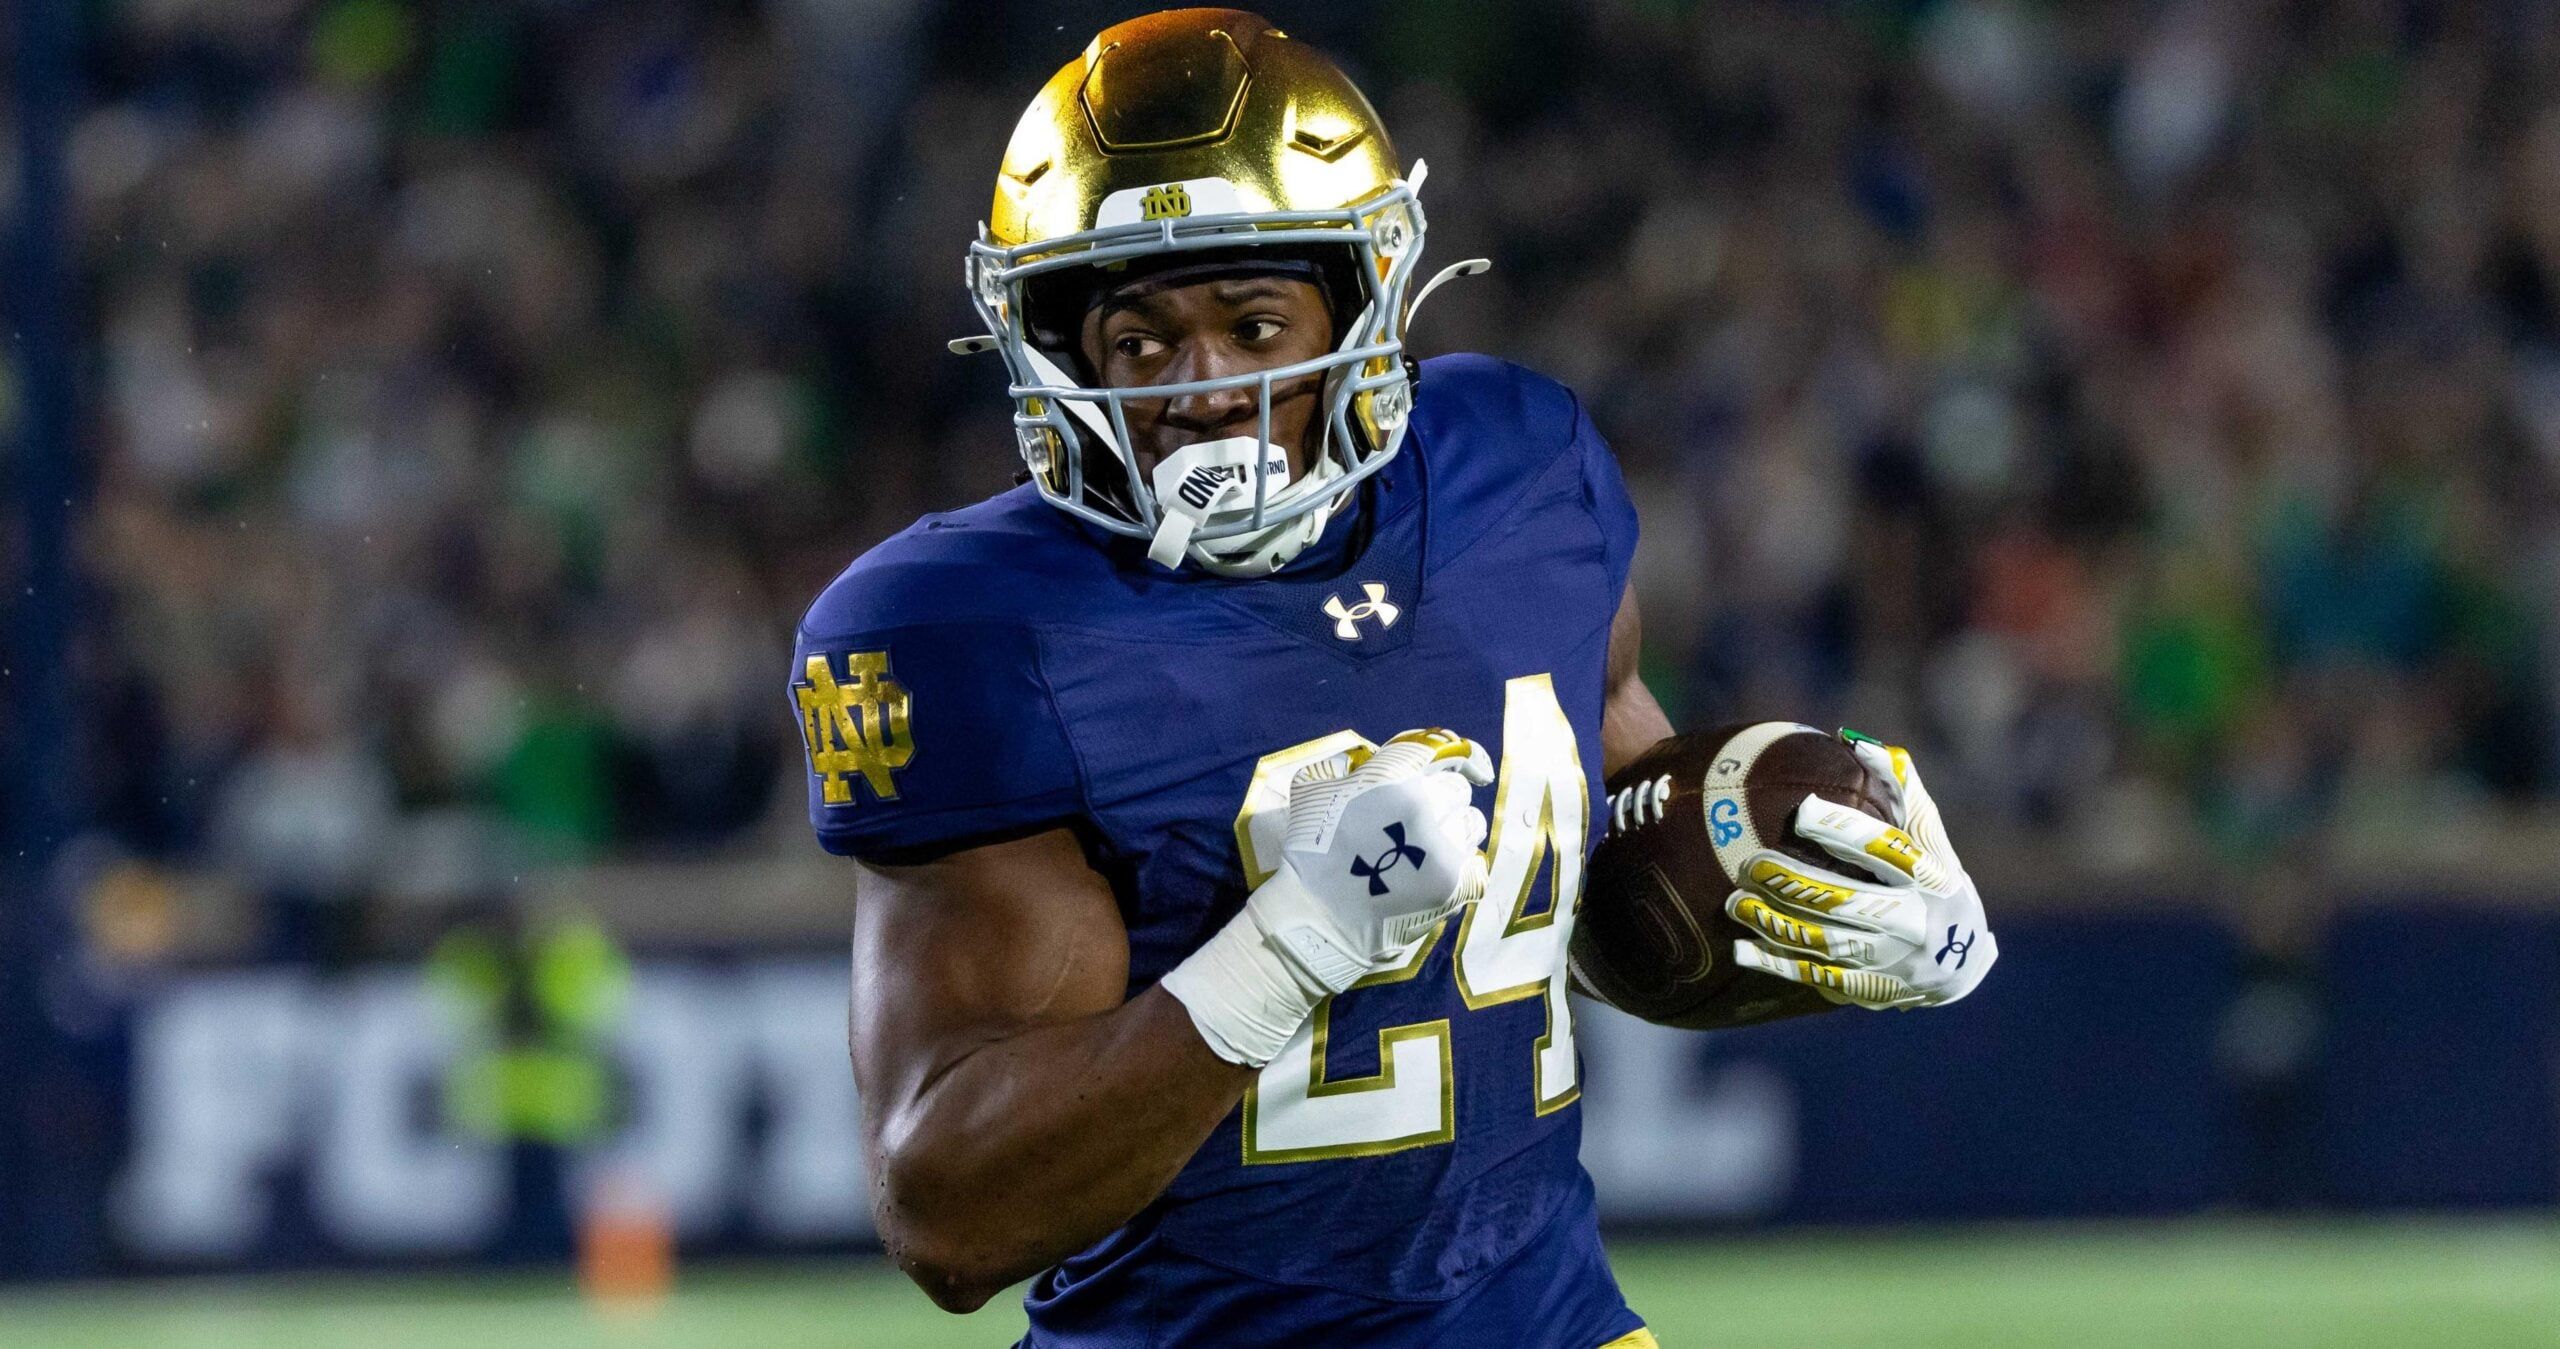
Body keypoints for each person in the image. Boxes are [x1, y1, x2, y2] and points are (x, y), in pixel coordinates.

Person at [789, 11, 1997, 1345]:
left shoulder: (1519, 472)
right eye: (1139, 340)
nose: (1203, 386)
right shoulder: (973, 628)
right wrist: (1292, 939)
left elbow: (1589, 886)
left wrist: (1839, 903)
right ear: (1057, 353)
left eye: (1255, 323)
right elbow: (951, 1217)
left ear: (1362, 303)